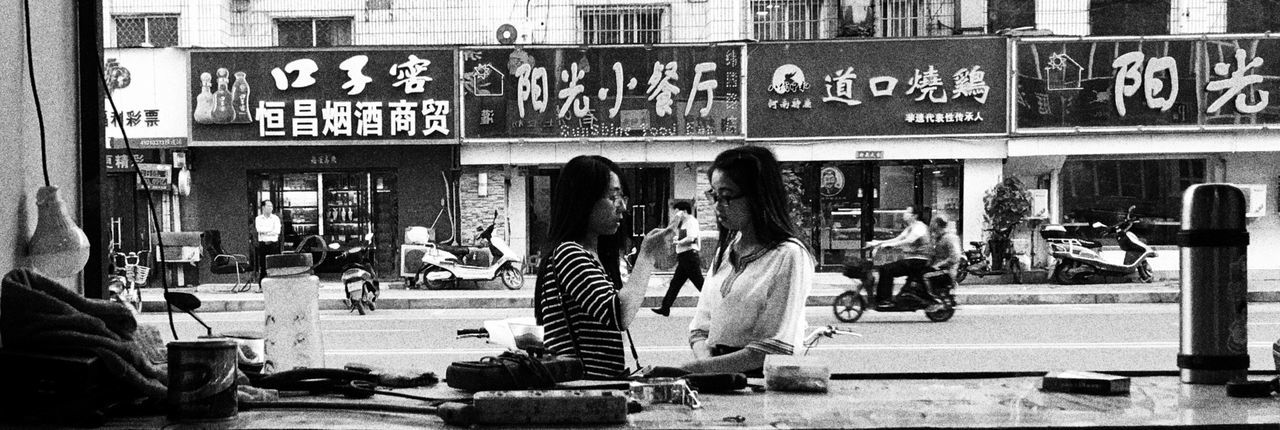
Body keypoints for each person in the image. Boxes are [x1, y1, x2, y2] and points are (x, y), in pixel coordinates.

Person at [532, 155, 674, 379]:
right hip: (582, 392)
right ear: (583, 200)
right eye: (613, 197)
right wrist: (647, 255)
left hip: (594, 390)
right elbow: (619, 314)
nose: (623, 207)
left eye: (622, 197)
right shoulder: (570, 254)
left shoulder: (591, 255)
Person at [680, 146, 814, 376]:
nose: (718, 206)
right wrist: (707, 368)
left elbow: (773, 347)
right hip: (719, 380)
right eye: (714, 195)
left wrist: (699, 369)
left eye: (727, 196)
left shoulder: (789, 255)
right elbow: (700, 328)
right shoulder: (726, 250)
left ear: (757, 195)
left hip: (759, 385)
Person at [867, 205, 930, 309]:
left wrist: (891, 246)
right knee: (884, 268)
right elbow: (897, 239)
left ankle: (885, 299)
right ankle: (883, 299)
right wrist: (878, 243)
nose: (904, 214)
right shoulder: (910, 227)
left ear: (915, 216)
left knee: (887, 269)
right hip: (910, 259)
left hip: (918, 260)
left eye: (907, 212)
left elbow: (909, 240)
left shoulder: (919, 226)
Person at [652, 201, 704, 317]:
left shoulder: (691, 222)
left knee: (700, 283)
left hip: (689, 256)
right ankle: (665, 307)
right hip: (684, 256)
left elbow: (691, 238)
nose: (676, 215)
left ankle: (714, 303)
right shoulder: (684, 223)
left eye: (678, 212)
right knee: (675, 283)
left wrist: (678, 242)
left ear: (684, 211)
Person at [926, 216, 962, 303]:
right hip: (939, 269)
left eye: (933, 224)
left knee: (924, 277)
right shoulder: (939, 238)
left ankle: (932, 299)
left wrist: (939, 264)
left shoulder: (949, 237)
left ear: (937, 225)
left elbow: (955, 257)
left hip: (947, 271)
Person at [254, 199, 281, 281]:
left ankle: (275, 285)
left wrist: (265, 232)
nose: (270, 208)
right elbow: (259, 229)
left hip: (274, 245)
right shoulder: (258, 218)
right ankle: (262, 285)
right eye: (268, 206)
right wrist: (270, 230)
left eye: (271, 206)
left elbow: (277, 231)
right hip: (263, 244)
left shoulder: (275, 218)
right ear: (263, 207)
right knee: (263, 265)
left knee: (275, 265)